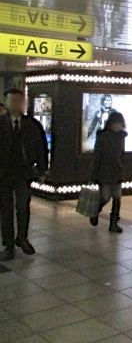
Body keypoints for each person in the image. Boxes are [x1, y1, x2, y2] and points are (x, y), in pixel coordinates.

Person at [0, 89, 48, 260]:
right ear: (6, 103)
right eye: (12, 101)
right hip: (3, 174)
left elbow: (41, 148)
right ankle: (8, 245)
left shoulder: (32, 125)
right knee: (5, 210)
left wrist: (42, 170)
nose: (16, 104)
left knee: (23, 207)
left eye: (19, 101)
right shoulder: (1, 124)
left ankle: (22, 237)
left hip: (24, 173)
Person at [90, 112, 127, 233]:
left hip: (117, 171)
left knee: (117, 198)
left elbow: (122, 155)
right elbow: (97, 156)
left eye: (120, 123)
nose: (118, 126)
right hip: (104, 172)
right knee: (105, 197)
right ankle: (95, 211)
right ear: (110, 124)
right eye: (116, 123)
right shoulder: (103, 137)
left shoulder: (121, 137)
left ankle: (113, 223)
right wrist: (94, 174)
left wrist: (122, 167)